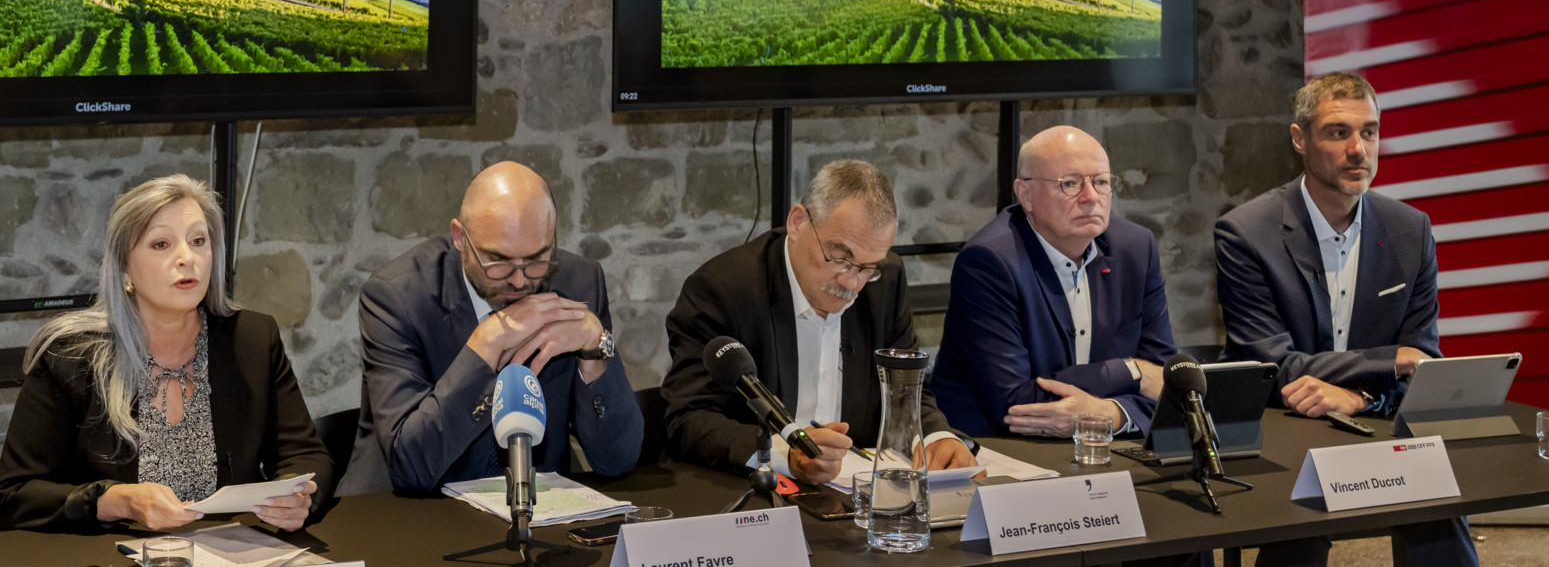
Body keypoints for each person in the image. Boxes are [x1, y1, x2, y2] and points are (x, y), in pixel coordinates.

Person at [1213, 72, 1475, 567]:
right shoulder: (1246, 233)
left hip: (1371, 413)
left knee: (1439, 499)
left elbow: (1422, 363)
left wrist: (1361, 395)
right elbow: (1270, 366)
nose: (1359, 149)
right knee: (1301, 522)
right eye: (1338, 133)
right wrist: (1386, 362)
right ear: (1300, 139)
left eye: (1370, 132)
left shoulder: (1409, 229)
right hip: (1281, 423)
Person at [0, 174, 331, 533]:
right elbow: (12, 497)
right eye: (161, 244)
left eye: (198, 241)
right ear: (125, 268)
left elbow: (306, 456)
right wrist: (116, 500)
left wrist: (300, 497)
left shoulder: (253, 339)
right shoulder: (71, 357)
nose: (187, 258)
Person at [662, 160, 976, 484]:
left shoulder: (886, 282)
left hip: (855, 491)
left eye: (868, 267)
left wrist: (938, 438)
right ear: (797, 223)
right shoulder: (723, 291)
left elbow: (906, 389)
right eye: (840, 258)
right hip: (757, 492)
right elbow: (688, 419)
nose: (852, 283)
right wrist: (785, 455)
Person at [342, 161, 641, 495]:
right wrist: (484, 349)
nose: (519, 279)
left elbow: (617, 459)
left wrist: (595, 348)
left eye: (538, 258)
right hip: (407, 515)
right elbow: (411, 466)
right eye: (498, 261)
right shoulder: (397, 298)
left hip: (533, 506)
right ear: (460, 237)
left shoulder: (579, 283)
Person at [931, 126, 1175, 440]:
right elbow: (1015, 404)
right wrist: (1132, 372)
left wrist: (1111, 415)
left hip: (1101, 445)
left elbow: (1168, 383)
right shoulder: (989, 261)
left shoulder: (1136, 248)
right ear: (1025, 195)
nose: (1090, 198)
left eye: (1100, 182)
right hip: (1000, 450)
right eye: (1070, 184)